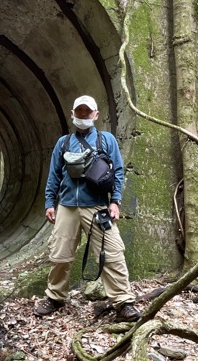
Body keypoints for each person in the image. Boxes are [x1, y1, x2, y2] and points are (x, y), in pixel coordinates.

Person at [34, 95, 141, 320]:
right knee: (59, 255)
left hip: (98, 206)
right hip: (67, 206)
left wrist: (115, 201)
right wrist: (49, 203)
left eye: (87, 112)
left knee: (112, 254)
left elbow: (118, 171)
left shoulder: (106, 140)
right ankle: (55, 297)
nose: (83, 116)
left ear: (96, 115)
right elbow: (53, 175)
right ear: (72, 114)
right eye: (79, 112)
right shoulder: (63, 143)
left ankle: (123, 302)